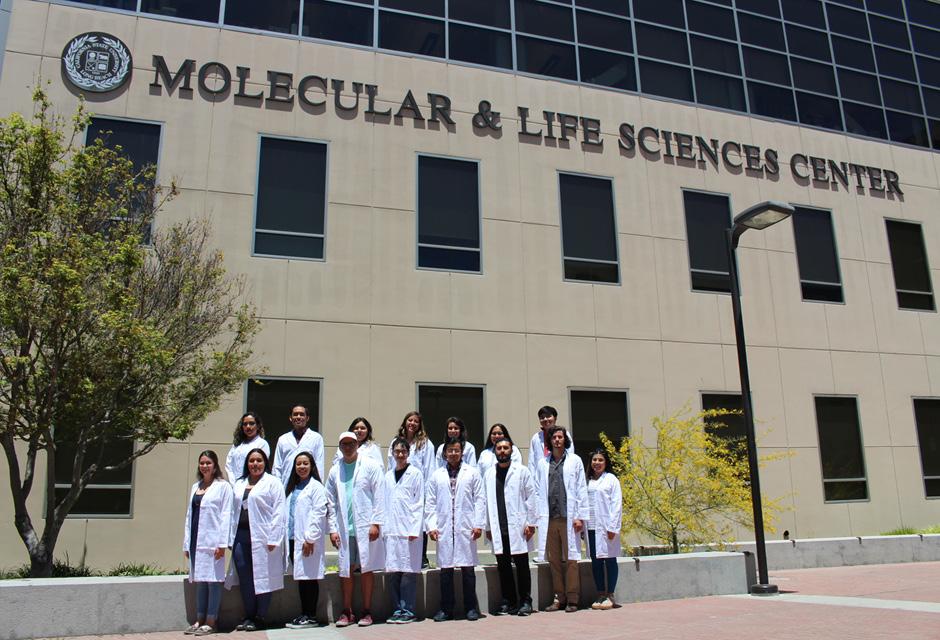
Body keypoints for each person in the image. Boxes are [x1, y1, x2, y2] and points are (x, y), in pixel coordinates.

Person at [326, 431, 386, 628]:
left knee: (367, 568)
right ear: (340, 447)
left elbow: (379, 494)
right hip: (345, 529)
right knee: (346, 570)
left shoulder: (370, 465)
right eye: (344, 444)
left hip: (365, 527)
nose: (348, 447)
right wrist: (333, 529)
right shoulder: (335, 470)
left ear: (357, 444)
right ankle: (347, 611)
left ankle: (367, 611)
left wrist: (376, 522)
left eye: (351, 443)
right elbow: (330, 501)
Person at [425, 437, 485, 622]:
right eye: (450, 450)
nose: (453, 453)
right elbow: (431, 502)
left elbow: (480, 499)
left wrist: (478, 524)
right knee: (446, 571)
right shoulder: (437, 475)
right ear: (445, 453)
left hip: (465, 526)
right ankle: (446, 609)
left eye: (456, 450)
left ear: (462, 452)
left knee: (468, 570)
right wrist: (432, 525)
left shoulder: (472, 473)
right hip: (444, 527)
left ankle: (471, 608)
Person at [227, 448, 286, 631]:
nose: (255, 464)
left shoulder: (273, 482)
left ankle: (260, 616)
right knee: (245, 576)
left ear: (265, 463)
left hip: (263, 536)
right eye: (251, 461)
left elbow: (279, 511)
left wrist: (274, 537)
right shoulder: (239, 483)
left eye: (259, 460)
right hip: (240, 536)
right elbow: (231, 511)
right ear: (247, 464)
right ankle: (249, 615)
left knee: (263, 576)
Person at [535, 426, 588, 613]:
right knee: (554, 561)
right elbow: (537, 490)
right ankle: (559, 598)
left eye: (560, 437)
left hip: (569, 518)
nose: (557, 440)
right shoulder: (543, 463)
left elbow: (581, 488)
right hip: (549, 518)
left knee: (572, 559)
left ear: (565, 440)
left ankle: (573, 598)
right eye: (554, 437)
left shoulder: (575, 461)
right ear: (549, 442)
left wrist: (580, 516)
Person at [483, 438, 537, 617]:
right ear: (495, 452)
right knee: (503, 566)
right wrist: (488, 527)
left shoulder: (522, 471)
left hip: (519, 527)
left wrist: (531, 523)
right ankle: (509, 601)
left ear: (512, 450)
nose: (502, 451)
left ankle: (525, 601)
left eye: (506, 448)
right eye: (499, 448)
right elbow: (486, 502)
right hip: (499, 527)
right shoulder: (489, 474)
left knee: (522, 566)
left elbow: (531, 498)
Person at [183, 450, 233, 636]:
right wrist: (186, 543)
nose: (205, 466)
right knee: (200, 581)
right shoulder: (196, 486)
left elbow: (226, 515)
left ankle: (212, 621)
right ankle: (199, 619)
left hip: (213, 541)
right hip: (196, 540)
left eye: (208, 463)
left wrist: (221, 543)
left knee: (213, 581)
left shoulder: (223, 486)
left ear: (215, 465)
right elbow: (190, 516)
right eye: (202, 463)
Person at [384, 437, 425, 624]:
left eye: (403, 451)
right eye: (397, 451)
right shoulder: (387, 476)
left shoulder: (415, 474)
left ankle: (407, 610)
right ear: (392, 453)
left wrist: (414, 528)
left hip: (409, 531)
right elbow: (383, 504)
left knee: (408, 572)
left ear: (408, 454)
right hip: (391, 530)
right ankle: (396, 609)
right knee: (393, 572)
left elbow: (418, 503)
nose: (400, 455)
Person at [387, 411, 435, 567]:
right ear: (405, 422)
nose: (412, 423)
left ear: (419, 425)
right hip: (398, 486)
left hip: (418, 488)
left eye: (416, 421)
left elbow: (429, 468)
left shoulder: (425, 443)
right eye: (410, 420)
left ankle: (422, 557)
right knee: (398, 523)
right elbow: (390, 465)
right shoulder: (395, 442)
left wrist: (427, 494)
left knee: (418, 522)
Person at [284, 451, 326, 629]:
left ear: (312, 466)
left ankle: (311, 615)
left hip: (308, 540)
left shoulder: (316, 487)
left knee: (310, 577)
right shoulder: (293, 487)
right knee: (302, 577)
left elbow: (319, 513)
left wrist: (310, 538)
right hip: (294, 538)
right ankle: (304, 614)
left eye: (305, 463)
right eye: (298, 464)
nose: (301, 467)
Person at [585, 448, 622, 610]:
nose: (597, 463)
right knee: (596, 561)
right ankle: (600, 594)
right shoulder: (587, 480)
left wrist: (613, 526)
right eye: (594, 460)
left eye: (600, 460)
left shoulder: (611, 479)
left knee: (610, 559)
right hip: (591, 527)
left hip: (607, 527)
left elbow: (617, 504)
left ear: (606, 462)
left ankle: (610, 595)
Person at [273, 405, 325, 484]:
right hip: (286, 487)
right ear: (290, 418)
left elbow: (319, 465)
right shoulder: (283, 439)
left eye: (301, 414)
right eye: (295, 414)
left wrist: (319, 485)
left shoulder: (316, 438)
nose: (298, 417)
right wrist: (277, 487)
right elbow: (277, 466)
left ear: (307, 418)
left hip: (309, 487)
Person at [528, 406, 574, 476]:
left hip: (561, 472)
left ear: (555, 418)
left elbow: (570, 454)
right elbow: (531, 462)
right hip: (541, 475)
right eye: (542, 417)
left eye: (548, 416)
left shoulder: (564, 433)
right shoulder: (536, 437)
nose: (545, 419)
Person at [226, 412, 270, 483]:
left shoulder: (262, 444)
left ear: (258, 426)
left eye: (251, 423)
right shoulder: (237, 444)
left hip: (252, 484)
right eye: (245, 424)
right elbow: (228, 465)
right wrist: (233, 483)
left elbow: (259, 467)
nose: (248, 426)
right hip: (233, 484)